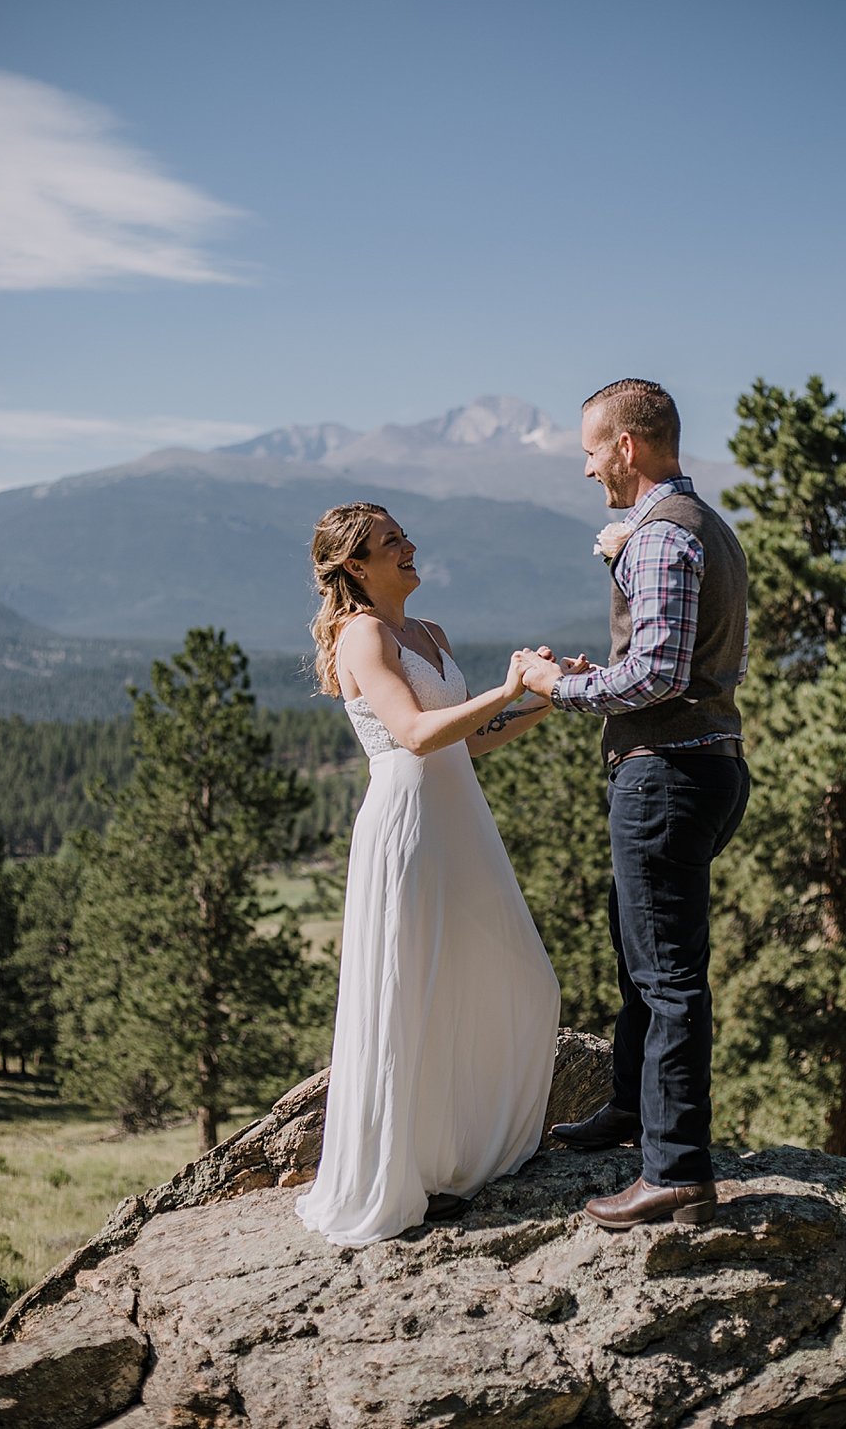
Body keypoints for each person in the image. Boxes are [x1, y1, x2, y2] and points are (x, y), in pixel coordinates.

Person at [295, 500, 564, 1246]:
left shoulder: (429, 633)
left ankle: (461, 1159)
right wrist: (507, 688)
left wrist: (543, 699)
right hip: (407, 829)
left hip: (461, 826)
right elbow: (414, 736)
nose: (409, 547)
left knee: (523, 981)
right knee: (410, 993)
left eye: (403, 536)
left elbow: (466, 742)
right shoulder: (361, 636)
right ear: (355, 564)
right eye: (390, 542)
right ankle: (403, 1176)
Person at [519, 379, 750, 1231]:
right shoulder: (705, 529)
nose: (586, 470)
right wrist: (593, 681)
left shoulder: (660, 540)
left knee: (665, 975)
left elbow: (655, 675)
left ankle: (677, 1172)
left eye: (590, 451)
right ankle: (630, 1108)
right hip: (704, 762)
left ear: (627, 447)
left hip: (666, 776)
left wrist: (557, 688)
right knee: (639, 954)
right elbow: (681, 663)